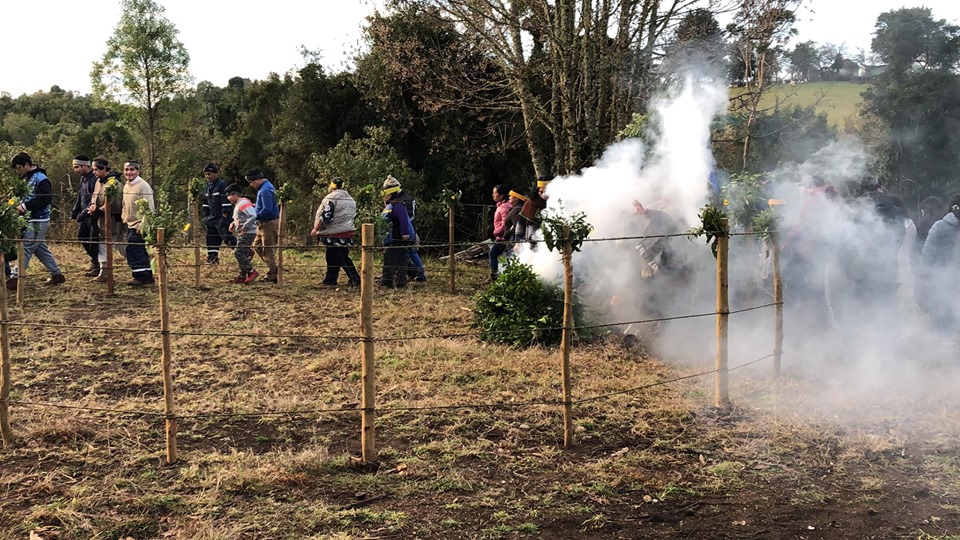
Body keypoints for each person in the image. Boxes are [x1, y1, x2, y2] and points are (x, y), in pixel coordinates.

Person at [7, 152, 65, 290]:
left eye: (19, 168)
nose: (18, 171)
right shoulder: (26, 178)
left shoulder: (41, 179)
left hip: (38, 219)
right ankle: (57, 275)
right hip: (29, 218)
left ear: (27, 165)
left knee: (26, 247)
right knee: (40, 249)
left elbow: (45, 199)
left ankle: (16, 278)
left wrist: (25, 206)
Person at [917, 194, 960, 333]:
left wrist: (923, 281)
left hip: (943, 280)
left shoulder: (939, 226)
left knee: (943, 323)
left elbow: (927, 257)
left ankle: (944, 349)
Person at [311, 177, 361, 287]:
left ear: (332, 186)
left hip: (335, 232)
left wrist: (316, 229)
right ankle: (330, 279)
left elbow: (326, 215)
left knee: (341, 257)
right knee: (332, 255)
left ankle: (355, 278)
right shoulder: (350, 199)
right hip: (347, 230)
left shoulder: (332, 198)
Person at [87, 157, 125, 282]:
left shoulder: (114, 183)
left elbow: (116, 203)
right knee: (102, 244)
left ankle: (141, 268)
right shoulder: (99, 181)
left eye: (96, 169)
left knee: (120, 247)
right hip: (99, 220)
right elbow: (95, 197)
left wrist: (100, 209)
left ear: (104, 169)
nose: (94, 172)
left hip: (112, 221)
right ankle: (104, 272)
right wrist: (93, 206)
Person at [382, 175, 426, 282]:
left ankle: (420, 274)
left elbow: (409, 216)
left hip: (406, 232)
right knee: (402, 256)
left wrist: (405, 230)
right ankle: (404, 275)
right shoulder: (394, 201)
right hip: (397, 232)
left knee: (411, 251)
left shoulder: (406, 200)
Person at [120, 160, 155, 286]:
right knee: (138, 249)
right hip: (130, 223)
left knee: (134, 249)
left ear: (138, 171)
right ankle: (147, 275)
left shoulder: (143, 186)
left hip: (139, 224)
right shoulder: (126, 185)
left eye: (132, 170)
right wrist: (124, 217)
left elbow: (149, 207)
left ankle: (141, 277)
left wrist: (143, 224)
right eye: (126, 170)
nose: (129, 172)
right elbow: (125, 204)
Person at [245, 168, 279, 283]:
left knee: (267, 250)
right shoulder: (265, 188)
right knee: (257, 246)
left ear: (258, 179)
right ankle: (273, 269)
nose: (251, 185)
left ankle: (273, 274)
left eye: (252, 182)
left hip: (268, 223)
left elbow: (267, 210)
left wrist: (254, 215)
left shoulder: (265, 190)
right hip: (263, 224)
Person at [379, 179, 414, 288]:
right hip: (392, 237)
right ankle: (401, 281)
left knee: (390, 260)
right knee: (401, 260)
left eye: (386, 194)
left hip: (397, 237)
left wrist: (405, 233)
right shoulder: (390, 205)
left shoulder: (397, 205)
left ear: (391, 194)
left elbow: (403, 219)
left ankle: (387, 281)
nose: (384, 196)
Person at [70, 155, 100, 276]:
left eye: (77, 167)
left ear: (84, 166)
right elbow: (80, 196)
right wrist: (74, 212)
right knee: (82, 236)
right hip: (84, 215)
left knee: (93, 241)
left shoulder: (94, 179)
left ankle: (98, 265)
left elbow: (93, 200)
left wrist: (82, 215)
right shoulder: (83, 179)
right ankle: (94, 261)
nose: (75, 170)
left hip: (91, 216)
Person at [201, 163, 235, 264]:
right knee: (211, 238)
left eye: (210, 174)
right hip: (211, 218)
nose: (208, 176)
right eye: (206, 174)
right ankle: (212, 258)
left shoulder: (221, 185)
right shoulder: (207, 186)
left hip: (221, 217)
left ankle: (244, 253)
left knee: (226, 237)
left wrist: (225, 214)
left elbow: (226, 200)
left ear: (215, 174)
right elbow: (205, 201)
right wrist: (206, 215)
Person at [225, 184, 258, 284]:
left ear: (234, 194)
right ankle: (242, 276)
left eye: (229, 195)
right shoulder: (238, 204)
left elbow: (252, 215)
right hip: (243, 232)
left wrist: (245, 228)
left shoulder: (243, 203)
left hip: (248, 232)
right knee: (242, 253)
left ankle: (251, 271)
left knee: (238, 252)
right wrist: (233, 224)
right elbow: (241, 218)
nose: (228, 198)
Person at [488, 184, 511, 282]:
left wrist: (497, 232)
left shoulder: (505, 207)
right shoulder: (502, 205)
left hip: (502, 237)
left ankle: (495, 276)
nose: (493, 195)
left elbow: (505, 223)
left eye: (495, 193)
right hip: (501, 236)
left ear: (501, 195)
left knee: (493, 254)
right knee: (505, 256)